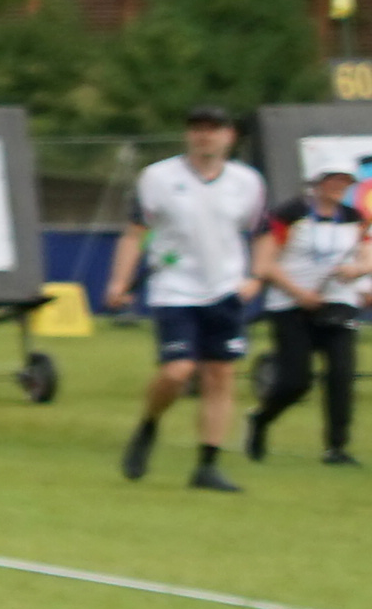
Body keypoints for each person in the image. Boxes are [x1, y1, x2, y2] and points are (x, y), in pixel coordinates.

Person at [112, 102, 269, 492]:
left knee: (220, 374)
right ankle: (149, 423)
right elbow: (134, 233)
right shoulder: (158, 177)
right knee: (177, 371)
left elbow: (263, 232)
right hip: (174, 287)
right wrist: (119, 282)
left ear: (229, 136)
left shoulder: (246, 182)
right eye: (197, 128)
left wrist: (255, 277)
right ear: (187, 134)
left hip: (224, 288)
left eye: (213, 128)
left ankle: (208, 464)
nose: (205, 135)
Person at [246, 161, 360, 470]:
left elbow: (366, 254)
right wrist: (298, 293)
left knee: (341, 374)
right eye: (333, 179)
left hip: (337, 301)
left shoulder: (354, 218)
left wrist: (358, 271)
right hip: (289, 305)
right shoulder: (288, 214)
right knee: (297, 381)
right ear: (318, 182)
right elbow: (266, 262)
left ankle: (336, 447)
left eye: (345, 181)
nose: (340, 186)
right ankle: (261, 419)